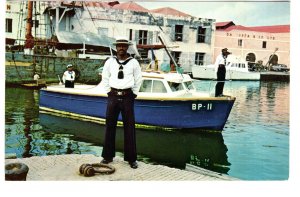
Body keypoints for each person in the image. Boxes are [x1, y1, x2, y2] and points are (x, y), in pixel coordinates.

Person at [100, 36, 142, 169]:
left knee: (129, 127)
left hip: (127, 96)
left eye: (124, 45)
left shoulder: (134, 62)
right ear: (116, 48)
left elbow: (138, 79)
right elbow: (105, 77)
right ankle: (107, 157)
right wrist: (108, 92)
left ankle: (131, 159)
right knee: (109, 126)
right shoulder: (110, 62)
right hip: (113, 95)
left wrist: (134, 93)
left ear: (127, 47)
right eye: (119, 46)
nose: (121, 48)